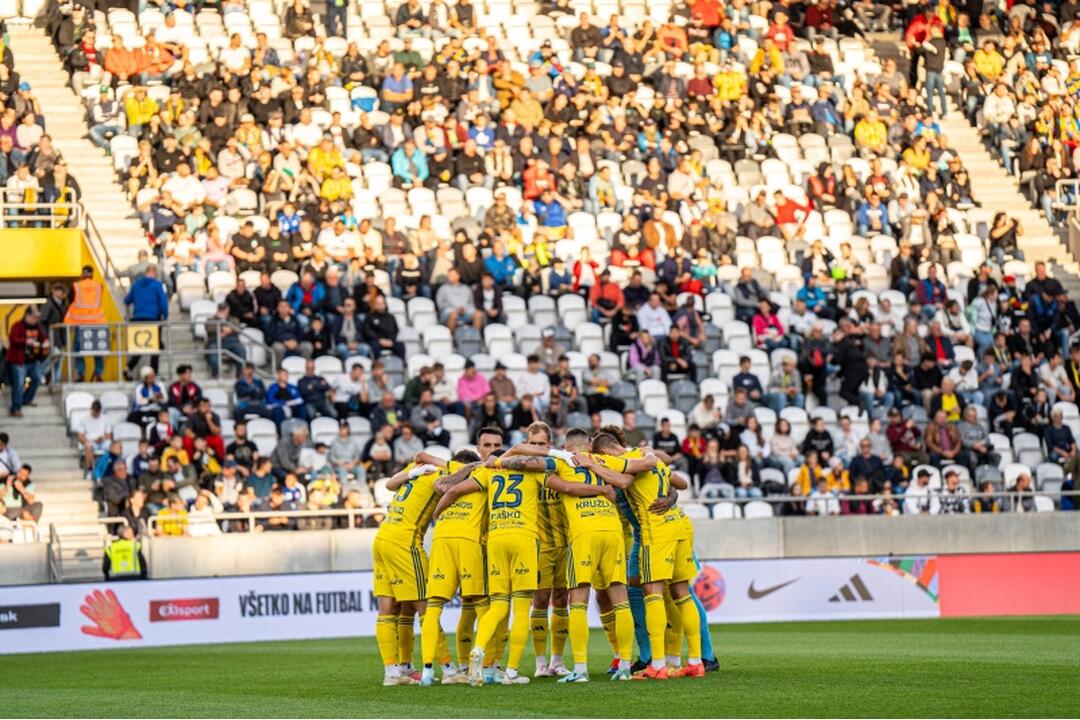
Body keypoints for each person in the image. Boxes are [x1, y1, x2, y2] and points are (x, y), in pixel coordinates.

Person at [123, 264, 169, 378]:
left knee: (138, 346)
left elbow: (127, 300)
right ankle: (155, 373)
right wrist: (165, 316)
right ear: (155, 273)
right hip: (152, 319)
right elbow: (163, 303)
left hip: (137, 319)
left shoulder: (136, 284)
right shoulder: (157, 285)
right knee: (155, 346)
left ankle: (129, 367)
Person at [64, 265, 106, 382]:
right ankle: (98, 374)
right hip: (96, 323)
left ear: (82, 274)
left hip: (80, 323)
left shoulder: (76, 286)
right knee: (97, 350)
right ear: (92, 274)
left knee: (78, 350)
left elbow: (70, 301)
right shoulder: (98, 286)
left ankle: (81, 374)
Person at [5, 307, 48, 417]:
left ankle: (27, 399)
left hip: (33, 360)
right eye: (34, 317)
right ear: (27, 316)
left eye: (37, 318)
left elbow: (43, 338)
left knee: (37, 378)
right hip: (19, 361)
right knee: (18, 384)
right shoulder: (17, 326)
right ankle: (16, 408)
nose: (36, 320)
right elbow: (13, 339)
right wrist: (26, 341)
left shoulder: (37, 327)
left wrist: (46, 342)